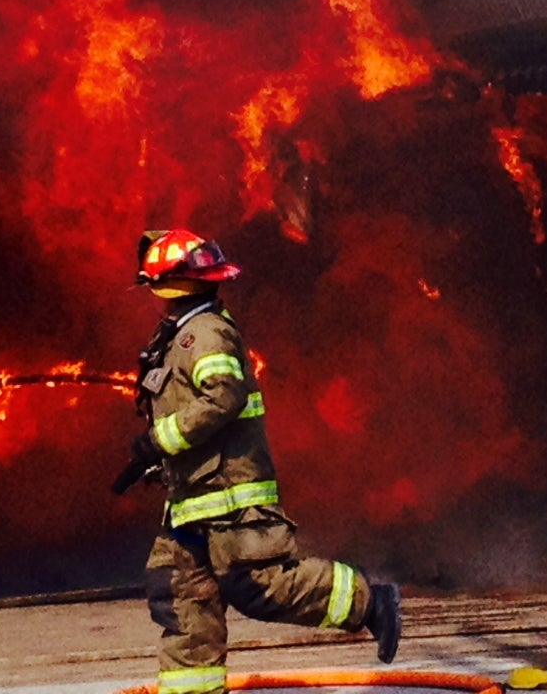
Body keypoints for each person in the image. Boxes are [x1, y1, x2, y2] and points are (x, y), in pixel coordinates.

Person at [116, 227, 401, 694]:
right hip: (193, 503)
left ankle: (369, 601)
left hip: (228, 499)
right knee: (184, 605)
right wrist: (157, 460)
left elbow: (222, 397)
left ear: (165, 286)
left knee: (258, 585)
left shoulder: (204, 333)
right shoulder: (181, 334)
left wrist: (161, 439)